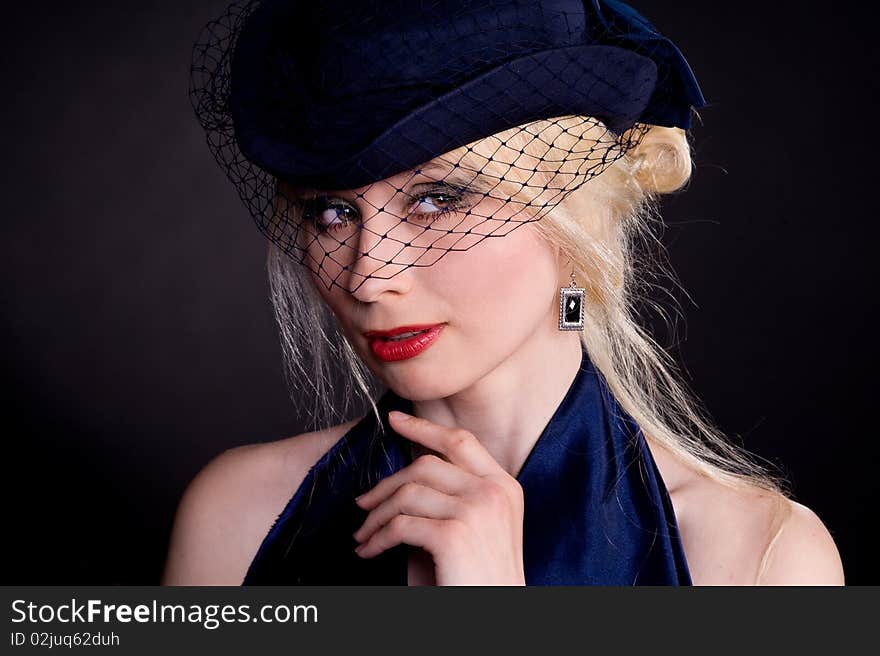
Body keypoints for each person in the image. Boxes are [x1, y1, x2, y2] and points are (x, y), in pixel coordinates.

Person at [162, 0, 845, 585]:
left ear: (572, 221)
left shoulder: (759, 560)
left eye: (438, 199)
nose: (369, 276)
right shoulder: (239, 520)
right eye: (332, 213)